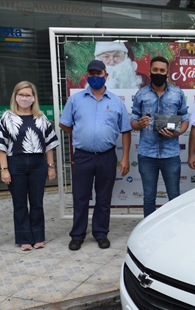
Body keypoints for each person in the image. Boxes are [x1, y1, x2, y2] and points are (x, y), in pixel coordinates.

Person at [59, 60, 131, 251]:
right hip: (83, 156)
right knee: (80, 196)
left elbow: (126, 130)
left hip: (107, 156)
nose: (95, 77)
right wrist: (81, 134)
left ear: (106, 75)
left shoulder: (116, 102)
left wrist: (124, 158)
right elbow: (64, 123)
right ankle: (77, 235)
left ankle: (100, 233)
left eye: (98, 74)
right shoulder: (76, 99)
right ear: (87, 76)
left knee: (103, 197)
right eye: (91, 73)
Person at [0, 81, 60, 251]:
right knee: (20, 202)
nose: (24, 98)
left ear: (33, 98)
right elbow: (1, 145)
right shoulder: (7, 117)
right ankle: (24, 238)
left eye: (28, 95)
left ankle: (38, 236)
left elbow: (49, 144)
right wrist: (4, 169)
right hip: (16, 164)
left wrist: (51, 166)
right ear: (15, 96)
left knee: (37, 202)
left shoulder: (41, 117)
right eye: (21, 94)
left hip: (38, 164)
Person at [130, 56, 189, 217]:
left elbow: (185, 121)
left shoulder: (178, 94)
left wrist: (177, 132)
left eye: (162, 70)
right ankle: (147, 233)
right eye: (155, 70)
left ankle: (174, 230)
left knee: (174, 196)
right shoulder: (141, 94)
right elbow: (133, 122)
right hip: (147, 155)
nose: (158, 73)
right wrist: (139, 124)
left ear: (167, 73)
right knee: (149, 197)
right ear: (149, 71)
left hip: (171, 155)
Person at [83, 42, 149, 89]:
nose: (112, 62)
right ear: (98, 59)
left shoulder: (143, 79)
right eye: (106, 57)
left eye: (117, 56)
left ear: (125, 57)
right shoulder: (87, 79)